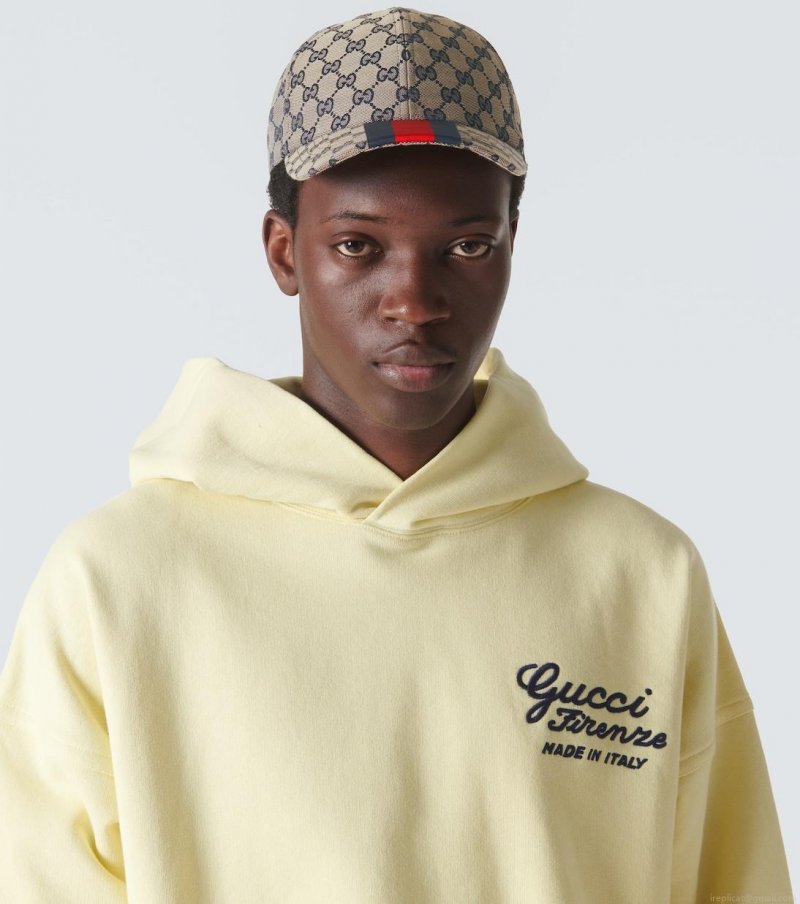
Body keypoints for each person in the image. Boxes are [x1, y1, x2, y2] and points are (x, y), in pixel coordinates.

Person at [0, 6, 793, 902]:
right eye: (358, 246)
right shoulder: (115, 578)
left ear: (512, 246)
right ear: (284, 252)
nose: (414, 301)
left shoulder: (643, 574)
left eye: (466, 246)